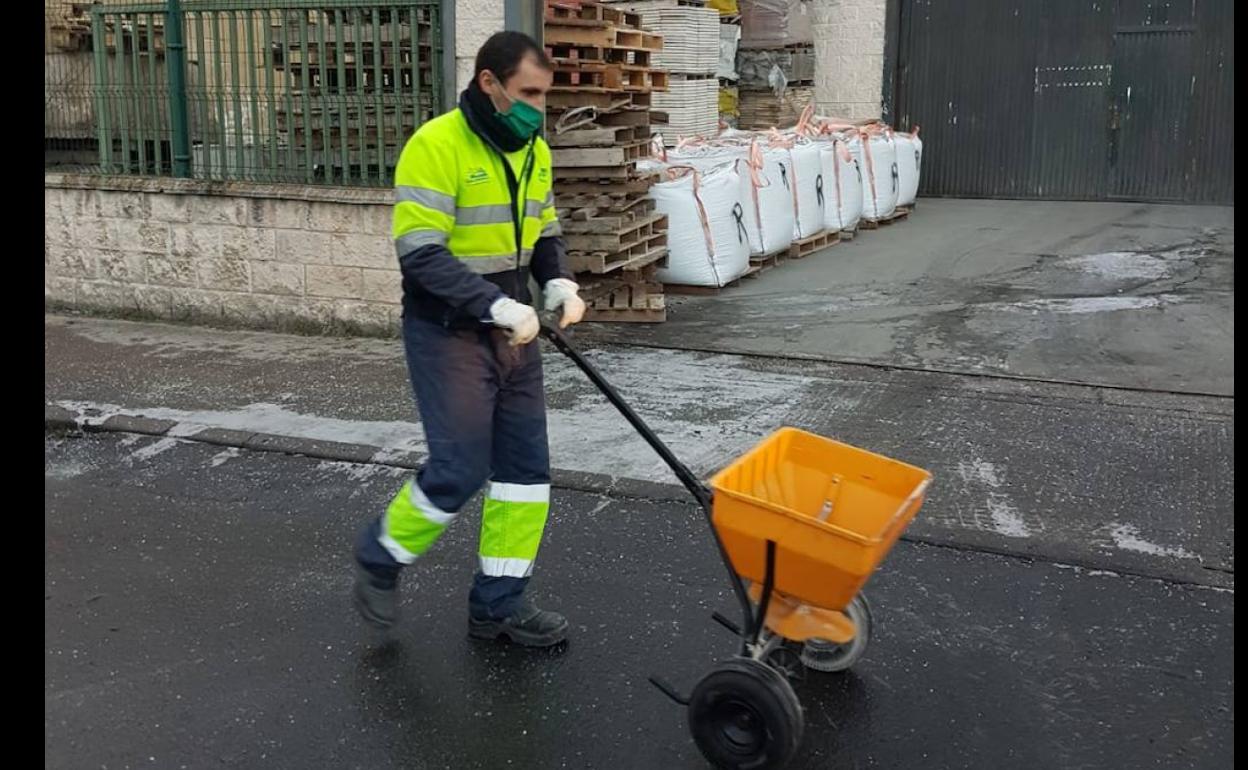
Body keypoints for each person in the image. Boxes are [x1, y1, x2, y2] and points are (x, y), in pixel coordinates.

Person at [352, 30, 585, 648]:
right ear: (489, 82)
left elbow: (545, 227)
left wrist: (558, 281)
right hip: (448, 332)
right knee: (459, 470)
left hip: (515, 334)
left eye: (544, 95)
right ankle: (381, 554)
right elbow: (420, 253)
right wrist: (495, 304)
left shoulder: (533, 149)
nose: (538, 108)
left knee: (524, 475)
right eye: (528, 93)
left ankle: (498, 605)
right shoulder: (436, 145)